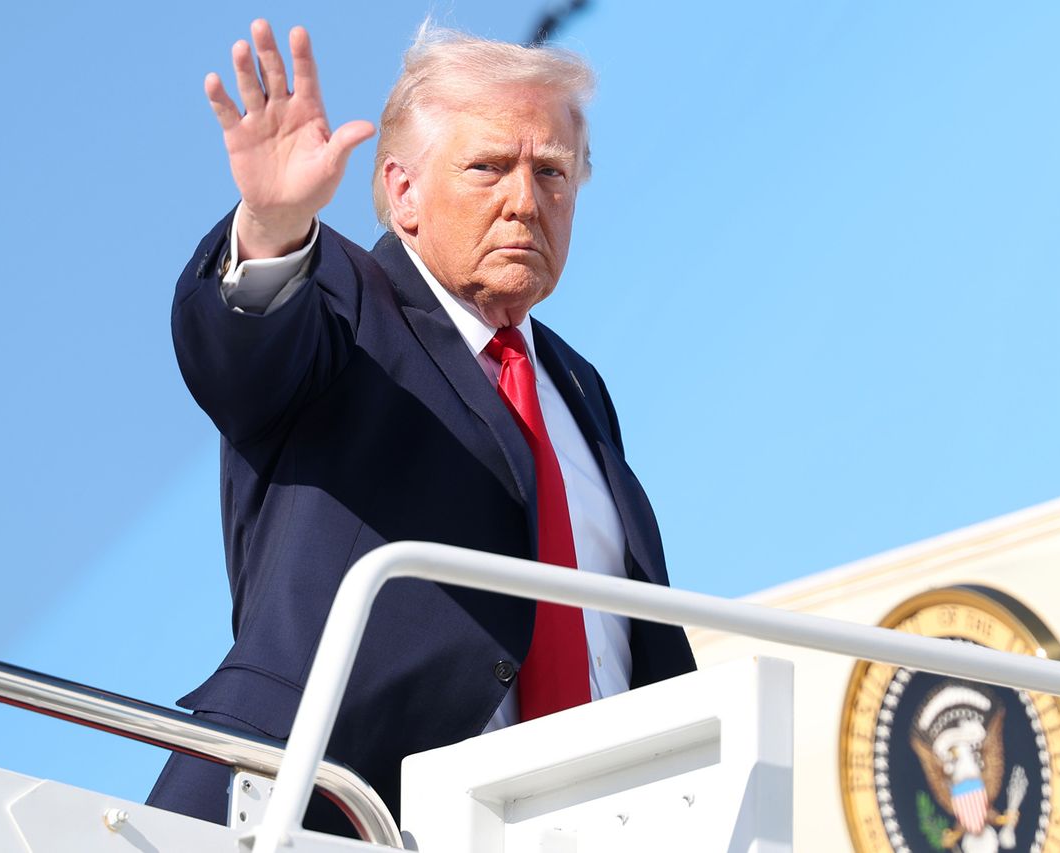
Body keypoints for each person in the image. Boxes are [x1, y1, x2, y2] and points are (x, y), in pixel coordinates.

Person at [147, 19, 697, 835]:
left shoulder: (578, 387)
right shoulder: (342, 305)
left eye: (552, 172)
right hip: (331, 806)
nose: (525, 200)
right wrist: (270, 231)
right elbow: (241, 352)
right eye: (489, 167)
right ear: (403, 192)